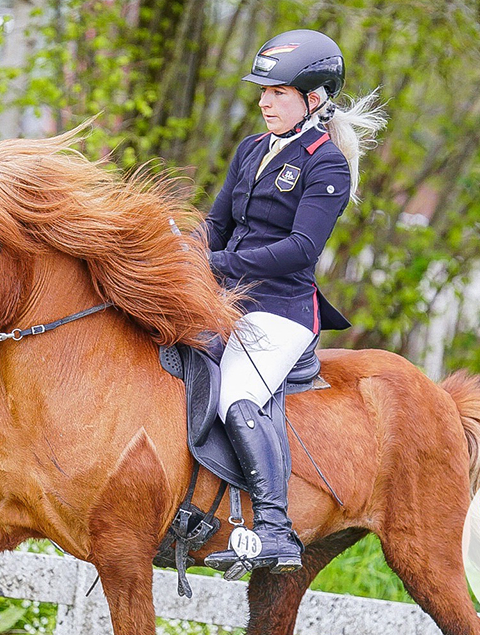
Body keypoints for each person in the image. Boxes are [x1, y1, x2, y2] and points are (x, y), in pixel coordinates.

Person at [201, 29, 386, 573]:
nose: (263, 101)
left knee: (236, 397)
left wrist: (219, 265)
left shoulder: (325, 164)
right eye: (263, 91)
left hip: (277, 311)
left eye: (278, 92)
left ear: (314, 98)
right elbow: (217, 225)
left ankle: (276, 529)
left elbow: (300, 248)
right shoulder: (251, 149)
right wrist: (179, 252)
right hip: (223, 298)